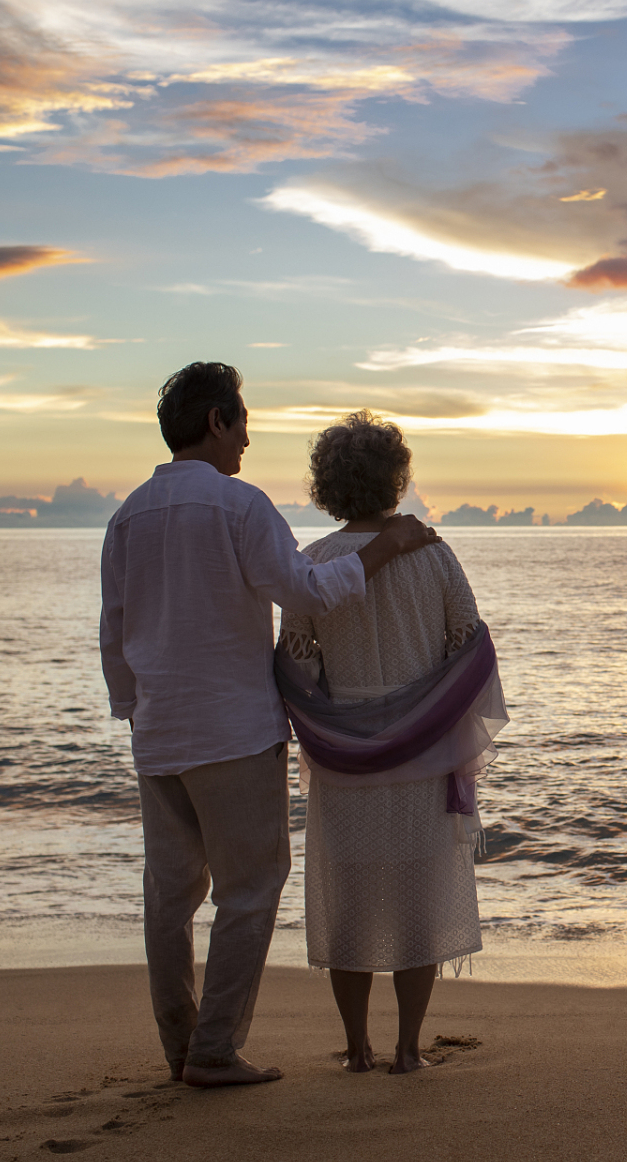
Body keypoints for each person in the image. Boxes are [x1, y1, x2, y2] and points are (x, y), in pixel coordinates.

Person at [99, 363, 440, 1089]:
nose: (248, 440)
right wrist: (387, 546)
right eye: (243, 421)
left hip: (158, 733)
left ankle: (179, 1045)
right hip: (232, 730)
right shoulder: (238, 506)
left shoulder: (128, 514)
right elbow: (305, 590)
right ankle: (215, 1050)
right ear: (218, 421)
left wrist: (132, 711)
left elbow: (114, 629)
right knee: (250, 889)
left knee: (170, 895)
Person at [277, 410, 500, 1074]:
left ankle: (357, 1049)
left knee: (347, 902)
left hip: (343, 760)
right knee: (417, 904)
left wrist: (340, 708)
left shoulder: (312, 564)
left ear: (327, 484)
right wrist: (425, 698)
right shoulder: (432, 554)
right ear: (396, 479)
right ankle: (407, 1049)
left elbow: (296, 663)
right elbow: (470, 642)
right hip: (424, 756)